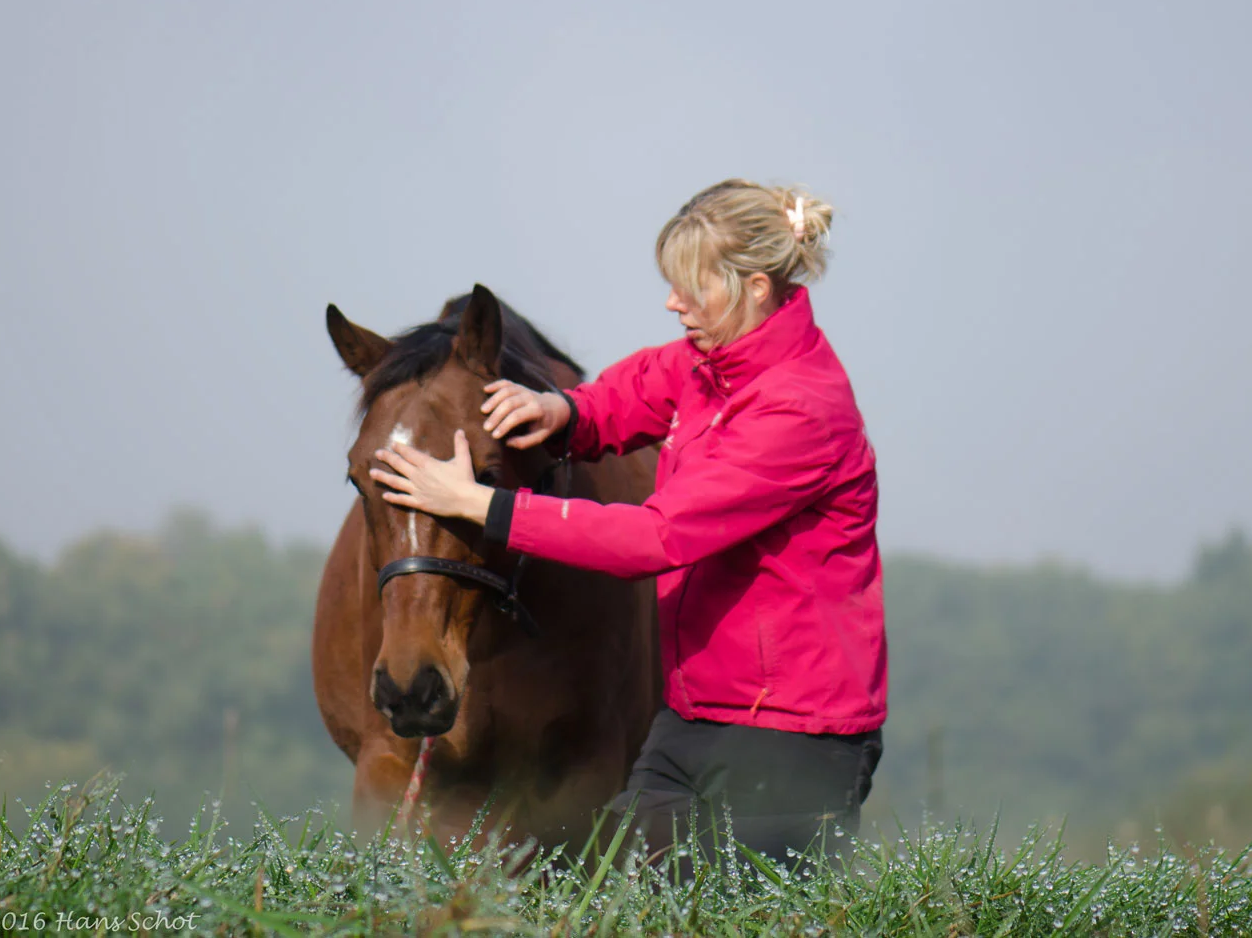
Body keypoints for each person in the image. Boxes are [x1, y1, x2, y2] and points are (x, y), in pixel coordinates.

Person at [369, 178, 886, 874]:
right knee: (616, 895)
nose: (673, 303)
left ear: (756, 288)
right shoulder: (713, 365)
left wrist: (481, 506)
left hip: (789, 736)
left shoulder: (798, 412)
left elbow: (654, 538)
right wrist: (564, 413)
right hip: (697, 714)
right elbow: (641, 386)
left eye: (691, 288)